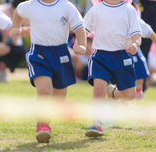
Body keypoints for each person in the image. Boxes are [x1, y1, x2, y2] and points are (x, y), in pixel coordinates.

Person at [10, 0, 87, 143]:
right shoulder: (30, 5)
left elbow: (79, 26)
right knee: (45, 90)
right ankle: (42, 124)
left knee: (59, 98)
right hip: (39, 54)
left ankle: (45, 116)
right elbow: (18, 12)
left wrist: (81, 43)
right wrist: (16, 26)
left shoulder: (66, 6)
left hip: (61, 54)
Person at [84, 0, 141, 137]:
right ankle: (96, 122)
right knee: (98, 88)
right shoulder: (96, 9)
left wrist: (135, 44)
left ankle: (113, 93)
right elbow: (82, 28)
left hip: (122, 56)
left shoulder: (129, 9)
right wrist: (80, 43)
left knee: (130, 94)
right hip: (100, 56)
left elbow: (136, 32)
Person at [0, 0, 30, 82]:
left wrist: (18, 34)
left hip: (10, 43)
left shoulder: (27, 14)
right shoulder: (0, 11)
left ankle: (2, 67)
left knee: (21, 51)